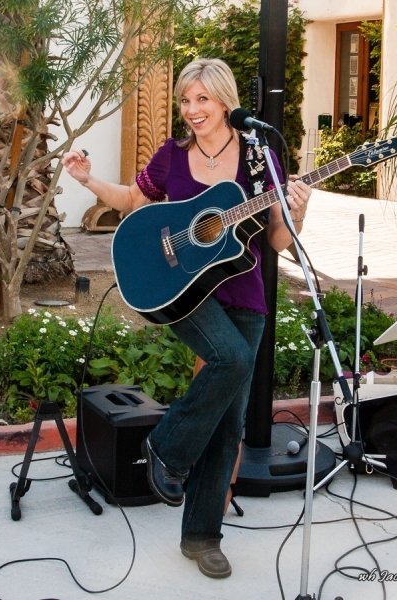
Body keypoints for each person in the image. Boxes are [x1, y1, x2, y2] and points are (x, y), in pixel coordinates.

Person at [62, 57, 311, 579]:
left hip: (244, 293)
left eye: (202, 99)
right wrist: (87, 181)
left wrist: (297, 209)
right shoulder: (172, 156)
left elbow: (277, 241)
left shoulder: (259, 158)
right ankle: (168, 447)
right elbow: (133, 200)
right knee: (234, 359)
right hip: (182, 289)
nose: (192, 110)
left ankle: (201, 537)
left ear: (225, 100)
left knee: (228, 424)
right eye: (185, 100)